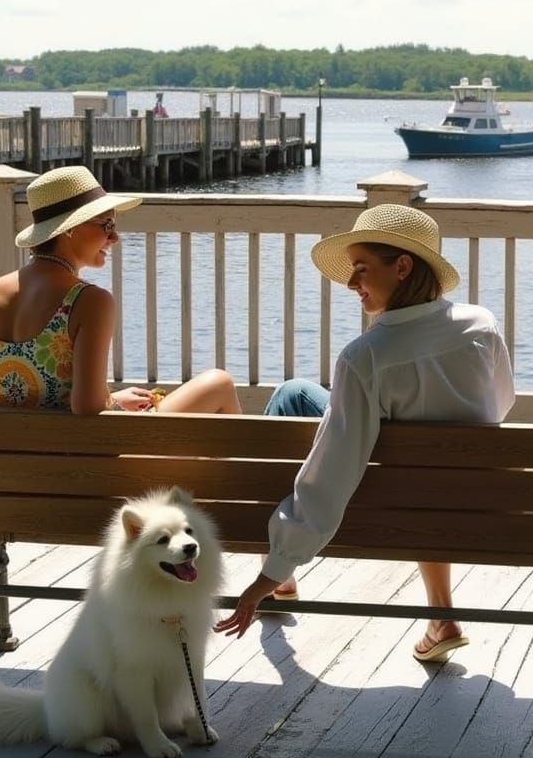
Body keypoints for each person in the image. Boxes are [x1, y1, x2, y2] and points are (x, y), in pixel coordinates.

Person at [216, 203, 515, 662]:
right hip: (471, 498)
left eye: (360, 270)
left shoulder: (366, 357)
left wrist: (270, 574)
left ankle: (280, 568)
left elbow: (332, 472)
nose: (350, 283)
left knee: (295, 395)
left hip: (388, 501)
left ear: (402, 266)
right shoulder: (481, 326)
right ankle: (441, 613)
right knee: (418, 465)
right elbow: (501, 403)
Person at [0, 165, 241, 416]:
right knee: (219, 383)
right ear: (69, 228)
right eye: (107, 224)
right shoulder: (87, 301)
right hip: (82, 472)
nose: (115, 237)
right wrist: (113, 403)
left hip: (0, 472)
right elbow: (88, 407)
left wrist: (113, 399)